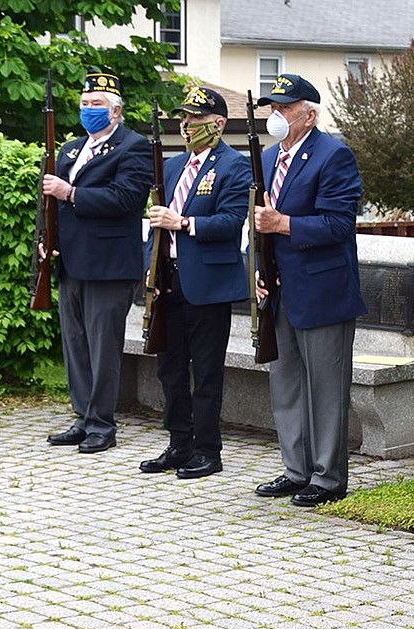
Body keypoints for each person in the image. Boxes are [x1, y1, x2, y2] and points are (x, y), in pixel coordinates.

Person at [251, 74, 366, 507]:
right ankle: (296, 470)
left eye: (285, 108)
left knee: (325, 389)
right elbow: (257, 224)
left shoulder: (332, 155)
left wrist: (283, 224)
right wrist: (261, 270)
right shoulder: (266, 157)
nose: (276, 116)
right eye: (272, 108)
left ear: (310, 114)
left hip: (322, 291)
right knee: (287, 386)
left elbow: (339, 225)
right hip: (280, 290)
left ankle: (328, 478)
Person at [138, 87, 252, 479]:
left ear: (218, 124)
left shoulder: (234, 166)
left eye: (195, 119)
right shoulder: (171, 167)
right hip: (169, 282)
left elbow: (231, 221)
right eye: (183, 119)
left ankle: (207, 450)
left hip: (208, 284)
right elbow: (155, 227)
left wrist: (184, 223)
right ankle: (179, 443)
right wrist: (151, 271)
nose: (186, 126)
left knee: (205, 372)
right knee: (169, 368)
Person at [41, 69, 151, 454]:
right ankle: (82, 416)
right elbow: (50, 208)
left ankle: (102, 424)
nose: (89, 110)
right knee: (75, 345)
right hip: (71, 261)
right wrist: (47, 242)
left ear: (116, 111)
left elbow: (126, 199)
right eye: (85, 104)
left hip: (108, 264)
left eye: (97, 105)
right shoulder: (70, 149)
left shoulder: (133, 146)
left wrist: (71, 193)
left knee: (103, 346)